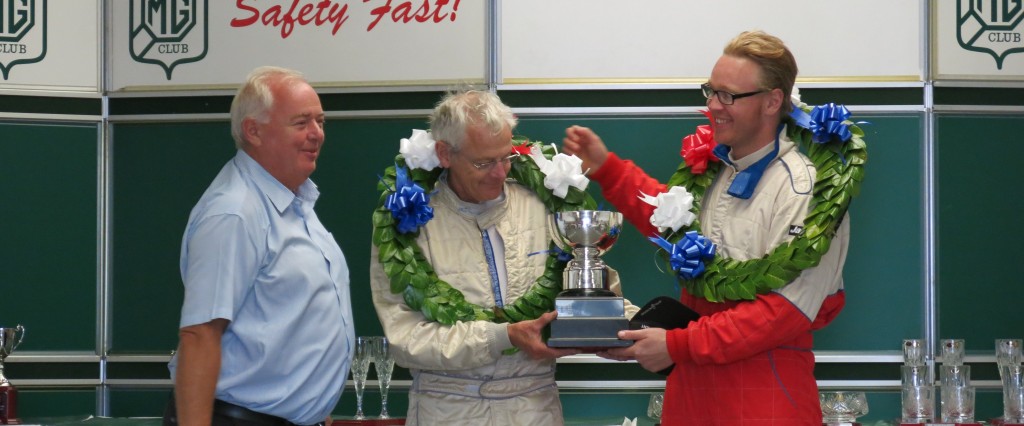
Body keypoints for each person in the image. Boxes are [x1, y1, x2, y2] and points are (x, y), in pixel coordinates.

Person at [563, 31, 850, 425]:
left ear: (772, 101)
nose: (713, 106)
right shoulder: (715, 169)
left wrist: (677, 344)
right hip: (691, 398)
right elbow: (672, 222)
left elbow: (783, 314)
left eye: (728, 95)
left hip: (764, 401)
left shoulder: (805, 189)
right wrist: (609, 170)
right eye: (710, 92)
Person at [370, 89, 638, 425]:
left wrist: (641, 328)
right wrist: (503, 336)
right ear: (444, 153)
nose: (500, 173)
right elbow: (406, 339)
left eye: (506, 156)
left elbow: (588, 293)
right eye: (483, 162)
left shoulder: (545, 203)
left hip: (533, 407)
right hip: (446, 408)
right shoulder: (406, 221)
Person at [164, 66, 354, 426]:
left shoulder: (295, 204)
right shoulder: (235, 212)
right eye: (301, 123)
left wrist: (315, 407)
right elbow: (200, 335)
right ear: (253, 131)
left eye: (320, 121)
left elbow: (294, 322)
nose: (317, 134)